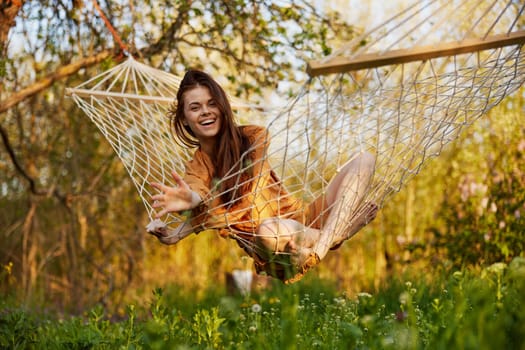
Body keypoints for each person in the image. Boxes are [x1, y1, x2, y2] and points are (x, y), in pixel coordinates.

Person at [147, 69, 378, 283]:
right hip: (276, 246)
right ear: (184, 118)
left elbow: (248, 194)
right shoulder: (197, 168)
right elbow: (196, 190)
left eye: (211, 103)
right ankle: (338, 233)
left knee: (365, 159)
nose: (205, 111)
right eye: (195, 107)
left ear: (222, 108)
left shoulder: (253, 136)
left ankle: (325, 242)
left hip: (304, 222)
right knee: (267, 230)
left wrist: (189, 224)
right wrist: (191, 202)